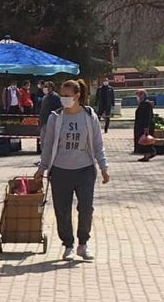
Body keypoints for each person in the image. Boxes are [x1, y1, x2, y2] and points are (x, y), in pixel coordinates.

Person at [35, 79, 110, 262]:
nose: (64, 99)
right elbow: (48, 145)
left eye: (67, 96)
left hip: (85, 169)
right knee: (62, 210)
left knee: (86, 208)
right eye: (62, 95)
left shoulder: (89, 115)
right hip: (60, 170)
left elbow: (98, 145)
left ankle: (83, 244)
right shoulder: (55, 117)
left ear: (77, 96)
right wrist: (42, 168)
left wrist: (104, 167)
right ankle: (68, 244)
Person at [134, 89, 156, 161]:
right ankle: (146, 155)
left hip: (146, 126)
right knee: (144, 141)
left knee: (146, 141)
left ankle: (150, 154)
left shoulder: (147, 104)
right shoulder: (142, 104)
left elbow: (148, 116)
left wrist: (146, 127)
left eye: (138, 95)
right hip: (142, 125)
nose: (137, 97)